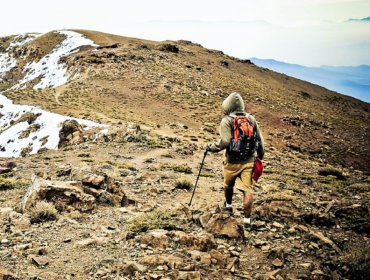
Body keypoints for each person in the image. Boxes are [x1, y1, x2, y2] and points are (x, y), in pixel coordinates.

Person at [207, 92, 265, 225]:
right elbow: (260, 141)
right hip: (249, 161)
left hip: (231, 161)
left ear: (227, 106)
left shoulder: (227, 120)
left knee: (228, 185)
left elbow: (225, 141)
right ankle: (247, 219)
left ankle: (228, 205)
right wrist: (260, 156)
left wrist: (211, 147)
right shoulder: (251, 119)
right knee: (247, 190)